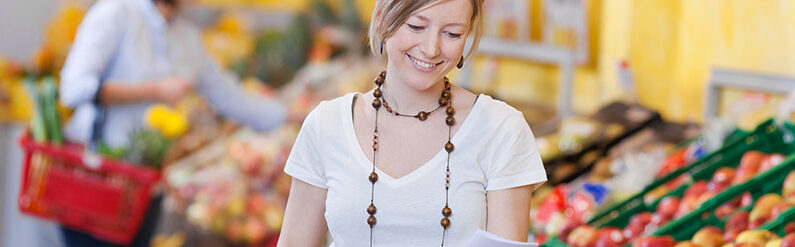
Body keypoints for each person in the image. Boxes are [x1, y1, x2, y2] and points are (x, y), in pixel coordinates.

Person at [278, 0, 547, 246]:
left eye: (452, 33)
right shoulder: (327, 124)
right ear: (383, 20)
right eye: (416, 26)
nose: (431, 49)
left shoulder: (502, 130)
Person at [58, 0, 286, 246]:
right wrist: (155, 90)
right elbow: (73, 89)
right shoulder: (117, 12)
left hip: (146, 189)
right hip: (96, 180)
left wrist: (295, 115)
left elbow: (232, 98)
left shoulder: (187, 38)